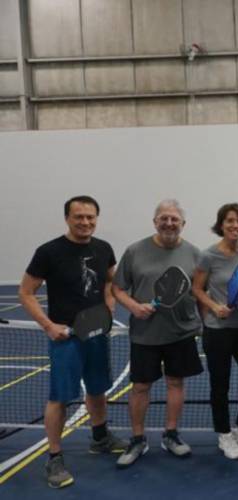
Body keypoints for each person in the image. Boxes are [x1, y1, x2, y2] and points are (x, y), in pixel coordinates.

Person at [19, 196, 127, 488]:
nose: (85, 222)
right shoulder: (49, 252)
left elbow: (109, 280)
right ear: (67, 218)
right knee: (60, 397)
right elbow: (26, 292)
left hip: (96, 333)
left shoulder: (104, 248)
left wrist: (107, 303)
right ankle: (54, 457)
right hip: (66, 337)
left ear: (96, 218)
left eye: (90, 217)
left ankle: (100, 436)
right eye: (79, 217)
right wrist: (48, 325)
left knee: (97, 388)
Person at [113, 199, 203, 468]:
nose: (169, 223)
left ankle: (171, 435)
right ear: (155, 222)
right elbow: (117, 289)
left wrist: (206, 322)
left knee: (176, 383)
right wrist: (132, 306)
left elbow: (199, 292)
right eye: (163, 218)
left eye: (174, 219)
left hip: (181, 332)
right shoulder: (134, 251)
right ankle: (138, 439)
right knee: (140, 387)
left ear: (183, 224)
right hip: (145, 334)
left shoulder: (195, 254)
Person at [191, 203, 238, 460]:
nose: (235, 226)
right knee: (221, 385)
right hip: (218, 330)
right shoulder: (208, 256)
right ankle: (224, 435)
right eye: (230, 221)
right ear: (221, 224)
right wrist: (213, 307)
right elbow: (197, 289)